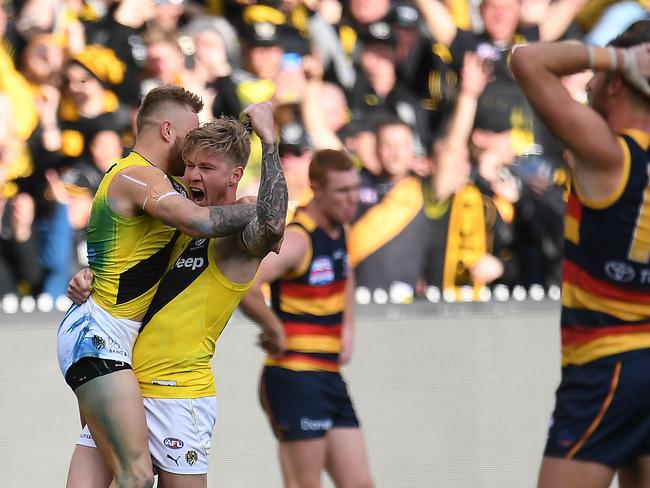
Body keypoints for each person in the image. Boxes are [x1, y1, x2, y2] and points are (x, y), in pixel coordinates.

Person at [65, 102, 287, 487]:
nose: (192, 175)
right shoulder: (177, 214)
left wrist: (269, 140)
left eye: (206, 168)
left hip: (180, 395)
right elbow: (129, 263)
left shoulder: (242, 228)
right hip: (126, 382)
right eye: (189, 165)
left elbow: (271, 223)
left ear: (235, 175)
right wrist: (90, 277)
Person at [510, 21, 650, 488]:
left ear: (615, 83)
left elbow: (527, 60)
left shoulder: (610, 154)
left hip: (608, 363)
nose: (584, 85)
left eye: (594, 78)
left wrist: (617, 57)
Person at [240, 149, 374, 488]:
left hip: (328, 375)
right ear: (316, 187)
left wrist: (347, 329)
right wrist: (273, 328)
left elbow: (346, 274)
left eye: (355, 188)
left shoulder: (339, 231)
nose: (352, 199)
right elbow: (246, 284)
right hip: (295, 376)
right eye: (342, 191)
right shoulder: (299, 239)